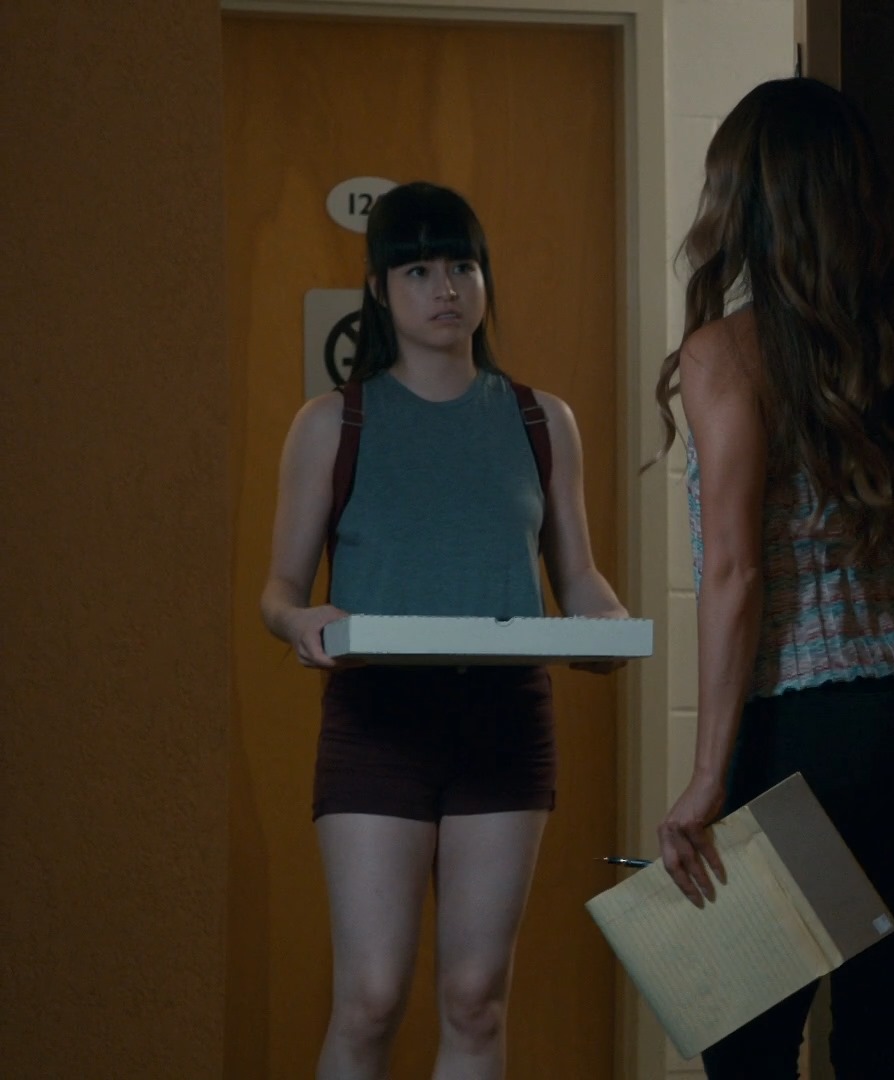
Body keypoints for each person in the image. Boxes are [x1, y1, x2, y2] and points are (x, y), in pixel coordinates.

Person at [260, 181, 628, 1080]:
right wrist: (299, 620)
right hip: (376, 721)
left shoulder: (542, 420)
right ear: (379, 290)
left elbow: (578, 575)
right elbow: (279, 590)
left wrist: (611, 626)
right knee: (370, 996)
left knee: (475, 997)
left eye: (463, 266)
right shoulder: (331, 421)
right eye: (418, 270)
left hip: (503, 719)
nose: (446, 289)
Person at [650, 77, 894, 1079]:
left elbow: (736, 571)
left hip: (803, 730)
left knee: (746, 1042)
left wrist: (707, 774)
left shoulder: (727, 352)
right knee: (892, 1037)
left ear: (742, 200)